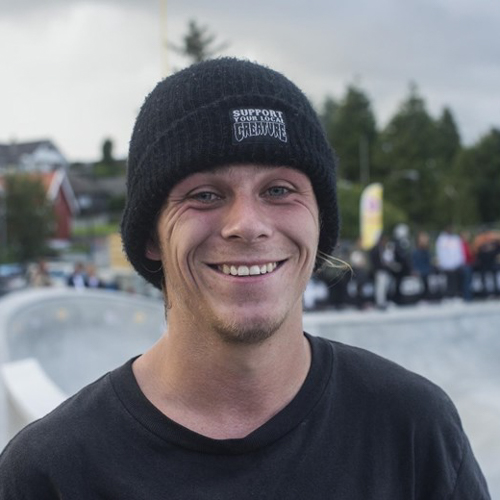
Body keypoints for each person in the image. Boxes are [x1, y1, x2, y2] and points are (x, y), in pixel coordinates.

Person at [0, 58, 490, 499]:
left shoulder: (411, 427)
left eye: (279, 190)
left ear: (320, 223)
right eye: (205, 195)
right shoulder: (50, 473)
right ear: (151, 235)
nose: (248, 225)